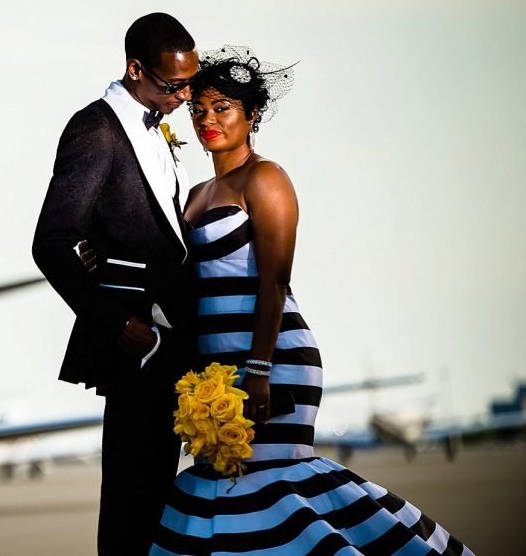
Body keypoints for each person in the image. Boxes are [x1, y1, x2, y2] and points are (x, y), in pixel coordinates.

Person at [147, 45, 473, 555]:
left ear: (252, 114)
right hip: (215, 369)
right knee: (226, 492)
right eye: (199, 109)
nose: (207, 120)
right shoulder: (194, 194)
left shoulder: (266, 178)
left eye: (222, 108)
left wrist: (259, 369)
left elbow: (276, 281)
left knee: (269, 488)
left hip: (272, 360)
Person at [32, 12, 201, 556]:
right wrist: (122, 324)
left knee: (160, 505)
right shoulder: (96, 129)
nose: (186, 96)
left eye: (190, 83)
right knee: (132, 509)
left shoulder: (155, 126)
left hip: (173, 343)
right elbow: (51, 243)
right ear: (135, 70)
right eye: (174, 85)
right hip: (136, 346)